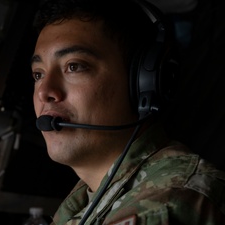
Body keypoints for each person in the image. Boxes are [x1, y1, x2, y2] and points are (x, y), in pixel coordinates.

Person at [30, 0, 225, 224]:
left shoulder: (166, 205)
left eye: (74, 66)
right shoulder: (87, 198)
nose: (44, 92)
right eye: (38, 74)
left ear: (143, 83)